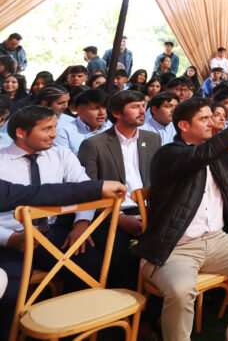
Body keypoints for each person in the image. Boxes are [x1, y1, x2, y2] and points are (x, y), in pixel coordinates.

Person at [134, 96, 228, 341]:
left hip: (217, 241)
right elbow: (203, 155)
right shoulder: (168, 154)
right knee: (181, 291)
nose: (212, 123)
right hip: (175, 248)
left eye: (211, 117)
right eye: (204, 119)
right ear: (183, 125)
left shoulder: (214, 154)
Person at [0, 106, 106, 337]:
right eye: (46, 129)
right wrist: (10, 238)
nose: (54, 134)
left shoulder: (61, 154)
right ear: (21, 132)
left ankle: (73, 332)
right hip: (11, 238)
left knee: (90, 265)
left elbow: (85, 189)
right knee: (10, 290)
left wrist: (81, 224)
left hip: (50, 232)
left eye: (55, 127)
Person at [78, 89, 159, 290]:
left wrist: (152, 212)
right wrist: (119, 218)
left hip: (148, 210)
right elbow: (88, 191)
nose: (142, 111)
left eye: (143, 106)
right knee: (119, 257)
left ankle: (154, 304)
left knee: (168, 249)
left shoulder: (152, 139)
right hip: (110, 214)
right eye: (135, 107)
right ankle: (124, 304)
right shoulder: (93, 144)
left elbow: (158, 182)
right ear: (116, 113)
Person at [54, 88, 110, 154]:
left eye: (104, 108)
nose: (102, 113)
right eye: (95, 108)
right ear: (79, 111)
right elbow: (62, 158)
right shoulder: (64, 132)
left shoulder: (111, 129)